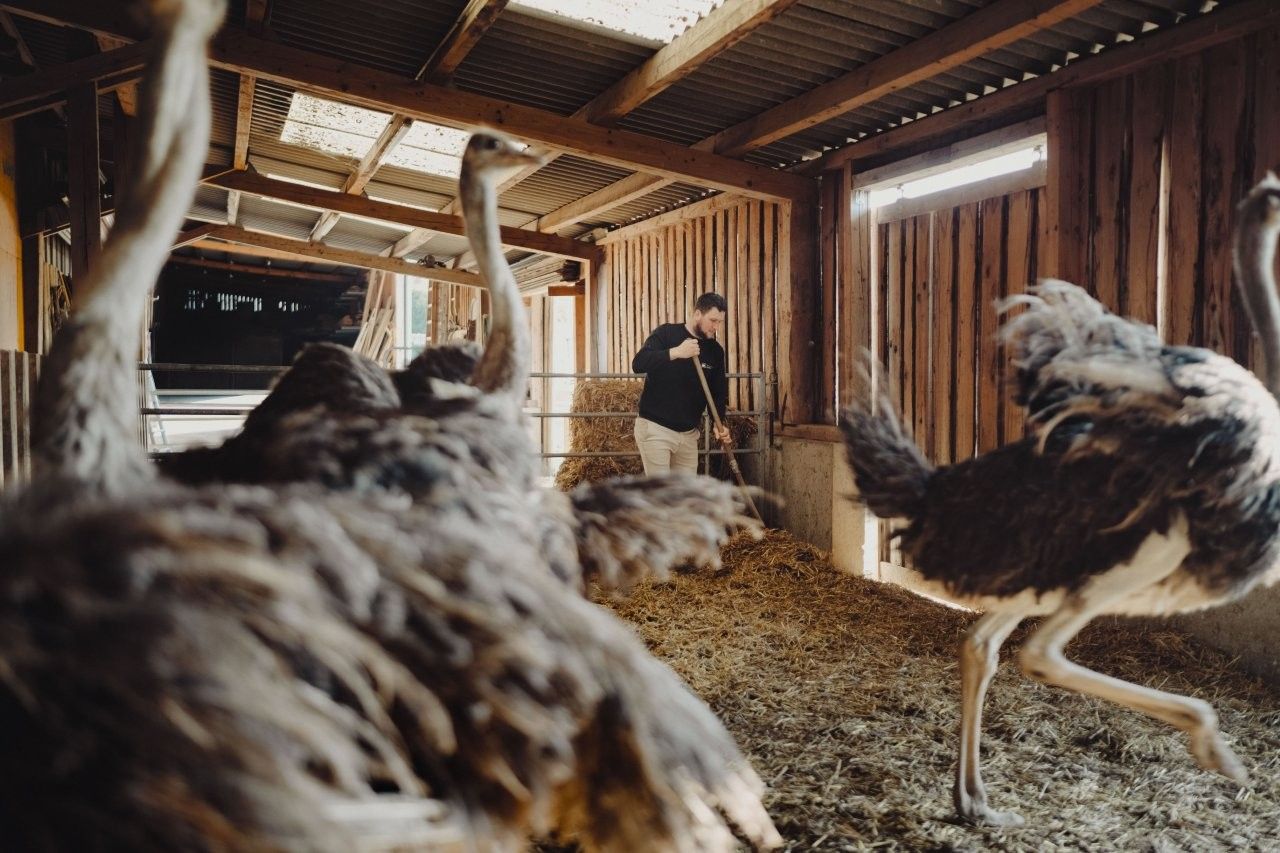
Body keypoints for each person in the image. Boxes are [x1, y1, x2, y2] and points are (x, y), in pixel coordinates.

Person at [630, 292, 730, 476]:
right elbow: (638, 363)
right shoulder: (666, 333)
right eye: (713, 320)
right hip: (656, 429)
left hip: (688, 434)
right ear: (698, 314)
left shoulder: (715, 351)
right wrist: (675, 352)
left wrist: (719, 423)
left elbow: (717, 391)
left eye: (720, 322)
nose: (716, 327)